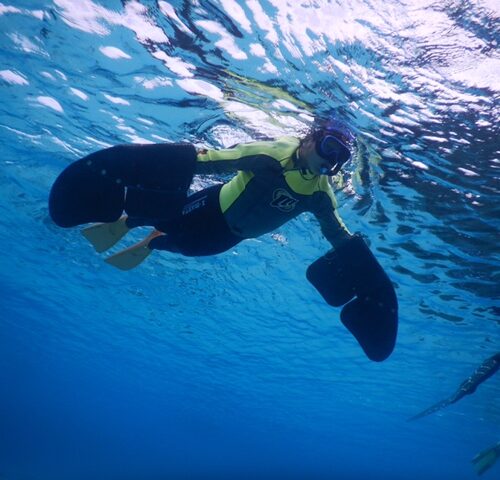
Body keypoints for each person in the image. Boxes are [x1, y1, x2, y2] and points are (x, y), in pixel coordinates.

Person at [49, 118, 398, 362]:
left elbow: (336, 232)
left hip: (230, 237)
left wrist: (370, 281)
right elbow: (214, 161)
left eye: (340, 159)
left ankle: (154, 242)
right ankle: (132, 220)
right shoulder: (271, 154)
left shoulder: (320, 194)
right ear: (310, 137)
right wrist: (145, 168)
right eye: (329, 147)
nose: (331, 161)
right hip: (211, 206)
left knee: (187, 247)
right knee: (168, 217)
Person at [409, 352, 500, 421]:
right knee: (459, 394)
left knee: (460, 394)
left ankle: (462, 391)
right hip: (491, 363)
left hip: (490, 364)